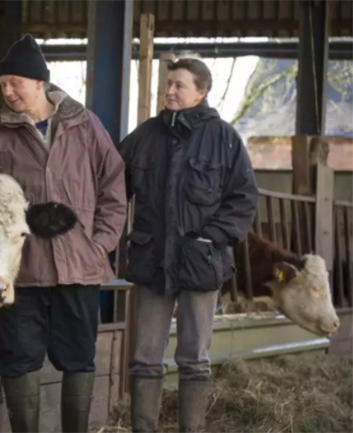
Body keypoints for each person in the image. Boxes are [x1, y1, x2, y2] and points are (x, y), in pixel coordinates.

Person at [0, 34, 127, 433]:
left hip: (79, 265)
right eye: (3, 84)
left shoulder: (84, 125)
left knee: (78, 356)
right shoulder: (0, 136)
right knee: (18, 358)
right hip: (22, 271)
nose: (7, 92)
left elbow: (113, 184)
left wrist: (102, 242)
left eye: (15, 83)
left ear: (40, 83)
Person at [119, 58, 259, 433]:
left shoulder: (225, 138)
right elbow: (112, 183)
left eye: (178, 85)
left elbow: (244, 198)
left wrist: (211, 235)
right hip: (152, 260)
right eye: (167, 84)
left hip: (200, 260)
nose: (169, 91)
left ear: (201, 91)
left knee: (194, 358)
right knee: (145, 358)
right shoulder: (146, 135)